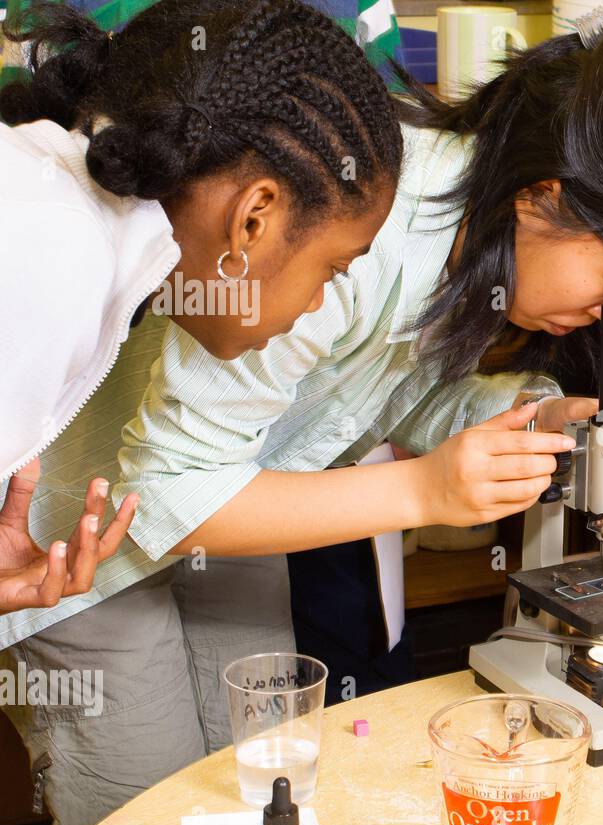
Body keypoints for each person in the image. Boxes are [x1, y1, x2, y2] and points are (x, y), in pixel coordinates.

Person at [0, 18, 603, 825]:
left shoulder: (464, 228)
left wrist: (539, 420)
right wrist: (424, 488)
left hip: (236, 525)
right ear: (545, 194)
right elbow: (168, 488)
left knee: (266, 786)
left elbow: (384, 398)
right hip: (78, 545)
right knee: (150, 822)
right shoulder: (340, 226)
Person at [0, 0, 406, 614]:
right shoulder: (58, 253)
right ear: (252, 219)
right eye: (332, 269)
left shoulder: (73, 223)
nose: (321, 300)